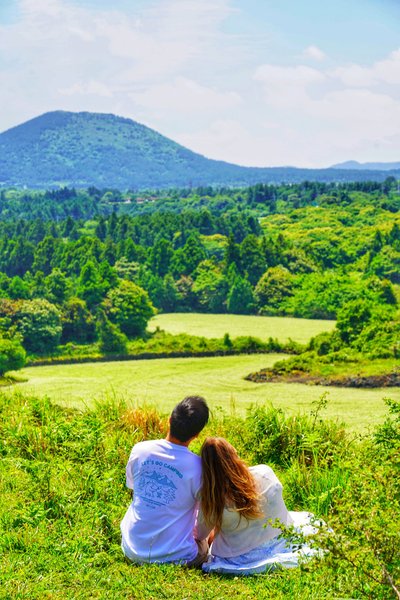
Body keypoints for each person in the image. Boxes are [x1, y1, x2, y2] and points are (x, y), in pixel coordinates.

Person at [197, 437, 318, 575]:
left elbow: (200, 534)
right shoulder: (264, 472)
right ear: (233, 453)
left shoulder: (212, 498)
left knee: (213, 527)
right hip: (281, 540)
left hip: (239, 557)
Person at [120, 395, 210, 566]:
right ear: (197, 434)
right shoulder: (199, 467)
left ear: (169, 420)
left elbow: (133, 487)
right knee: (207, 539)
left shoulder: (140, 450)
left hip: (132, 548)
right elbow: (205, 521)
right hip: (176, 556)